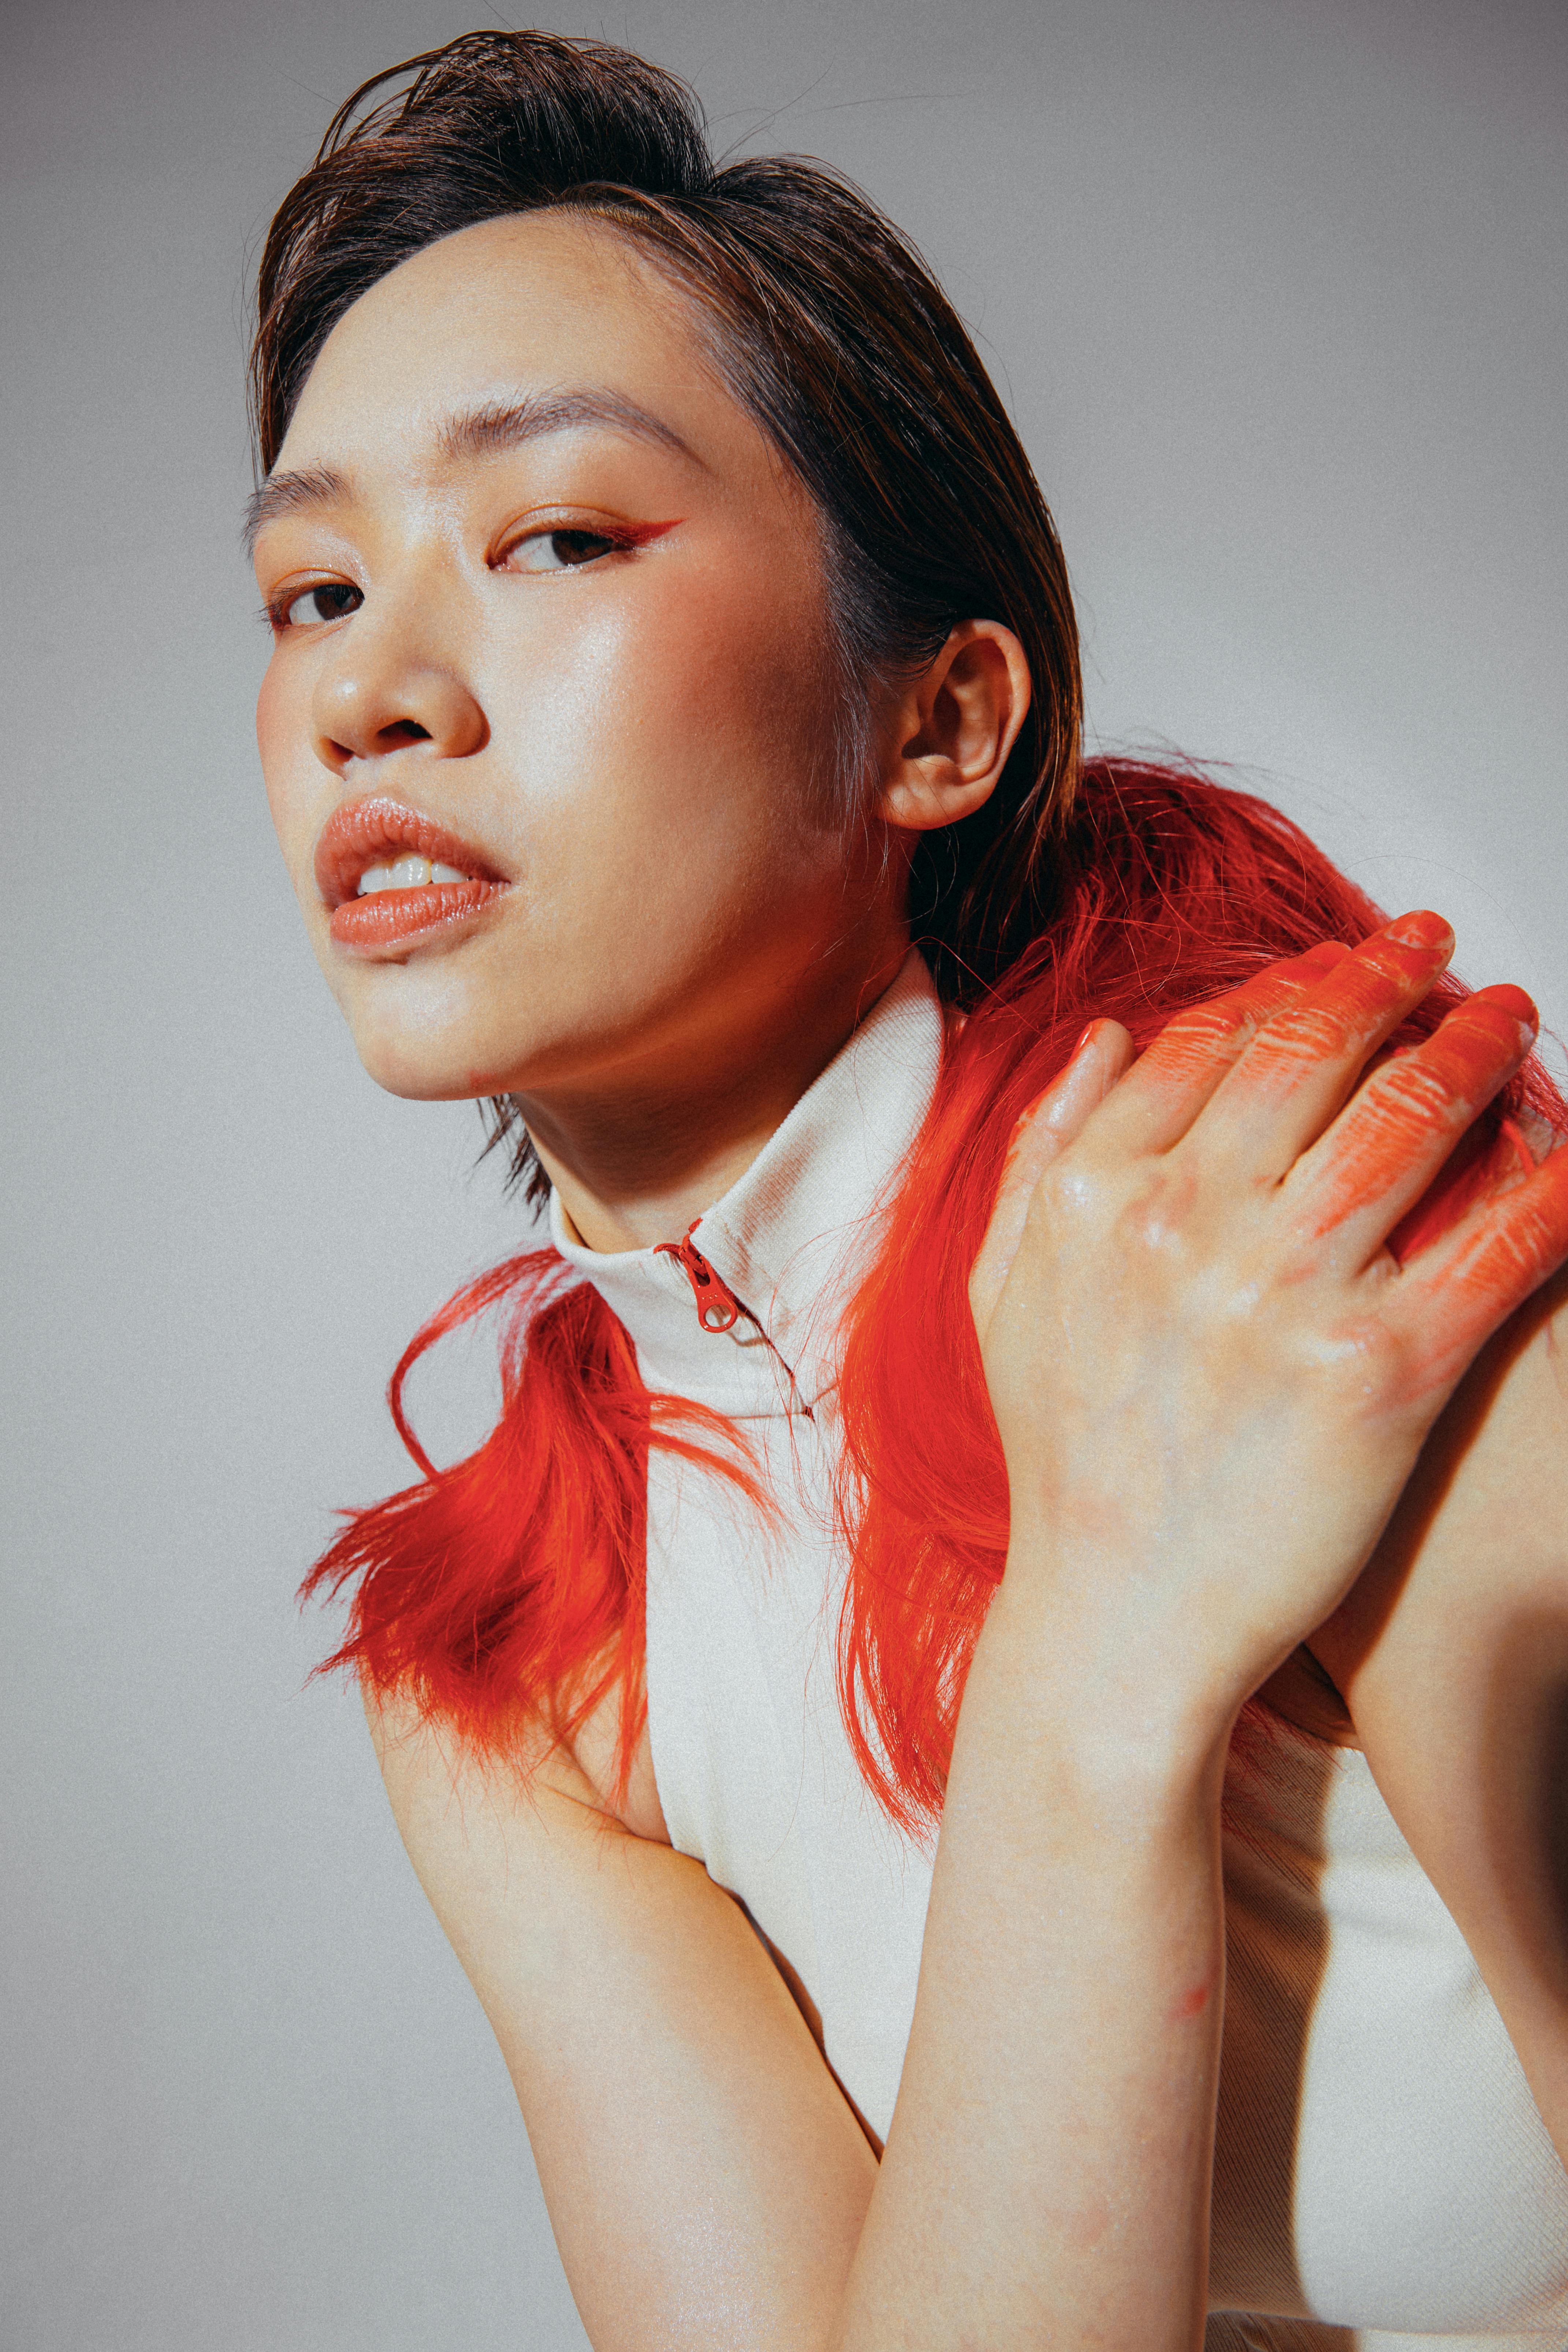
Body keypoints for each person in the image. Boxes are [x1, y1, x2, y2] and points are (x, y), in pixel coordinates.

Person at [248, 30, 1568, 2349]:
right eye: (309, 593)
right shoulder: (514, 1676)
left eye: (554, 532)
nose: (370, 694)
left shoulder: (1321, 1257)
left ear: (940, 720)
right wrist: (1098, 1656)